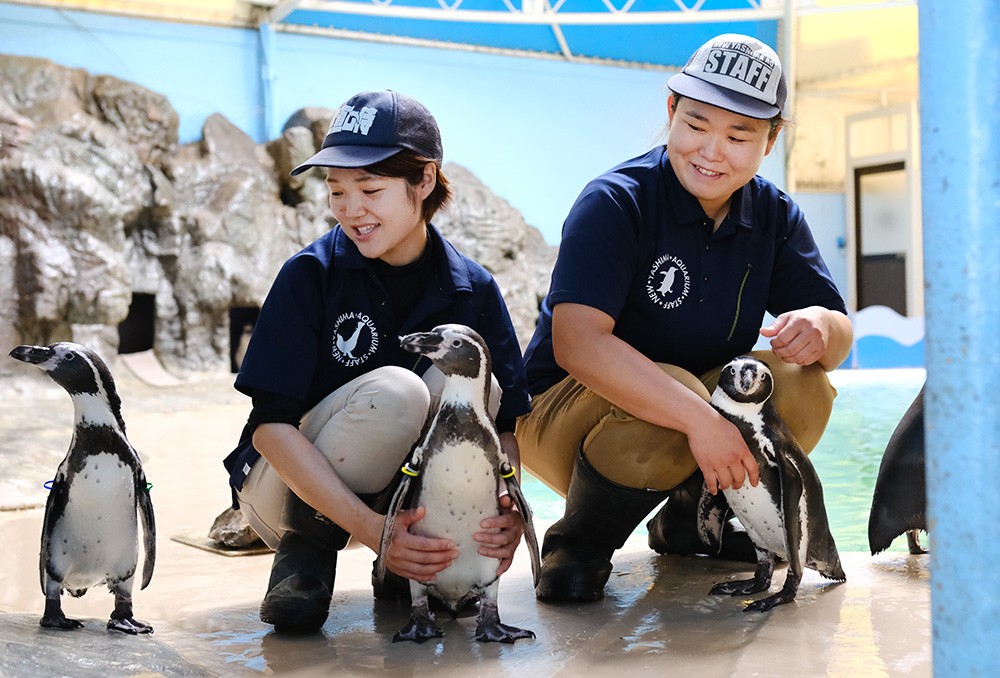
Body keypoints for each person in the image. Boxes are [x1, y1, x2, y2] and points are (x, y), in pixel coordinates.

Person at [516, 34, 854, 602]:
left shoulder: (773, 215)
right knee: (677, 390)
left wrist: (821, 325)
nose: (711, 151)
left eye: (739, 134)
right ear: (671, 112)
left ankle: (695, 520)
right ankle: (579, 540)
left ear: (770, 140)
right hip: (563, 418)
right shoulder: (616, 201)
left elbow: (840, 339)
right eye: (696, 125)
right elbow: (578, 344)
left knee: (802, 384)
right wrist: (702, 422)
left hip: (681, 416)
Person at [224, 89, 531, 633]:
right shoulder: (310, 276)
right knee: (399, 393)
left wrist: (506, 509)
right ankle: (306, 560)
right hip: (284, 492)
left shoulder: (474, 291)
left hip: (402, 500)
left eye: (369, 188)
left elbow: (502, 427)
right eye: (337, 190)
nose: (350, 209)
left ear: (425, 182)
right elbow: (271, 427)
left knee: (465, 376)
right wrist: (374, 531)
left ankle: (416, 561)